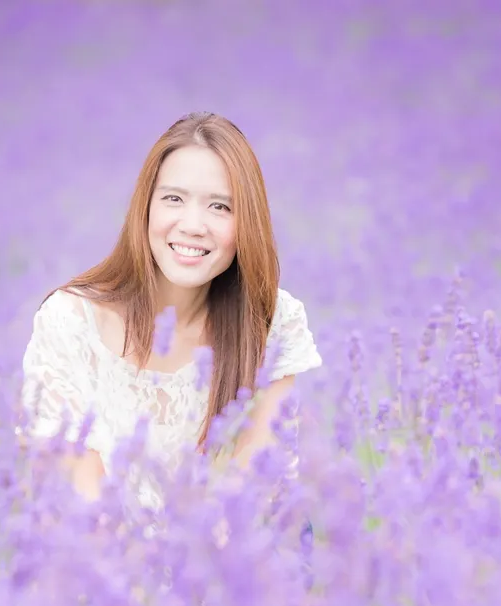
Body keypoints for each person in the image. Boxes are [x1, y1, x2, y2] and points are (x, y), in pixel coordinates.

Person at [18, 112, 322, 510]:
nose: (193, 225)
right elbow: (81, 505)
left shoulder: (270, 321)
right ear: (145, 208)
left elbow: (256, 488)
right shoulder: (72, 322)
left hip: (219, 561)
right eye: (173, 199)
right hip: (99, 562)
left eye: (220, 207)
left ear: (247, 222)